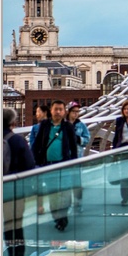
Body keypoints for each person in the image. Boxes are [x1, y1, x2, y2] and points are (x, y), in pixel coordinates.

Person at [31, 99, 78, 231]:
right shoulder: (45, 125)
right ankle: (57, 218)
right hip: (48, 165)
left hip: (64, 164)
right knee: (52, 194)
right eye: (55, 109)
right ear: (51, 111)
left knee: (65, 194)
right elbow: (37, 144)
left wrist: (74, 163)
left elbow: (73, 147)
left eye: (60, 109)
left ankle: (63, 218)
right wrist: (33, 160)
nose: (58, 112)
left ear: (64, 112)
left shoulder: (68, 126)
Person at [3, 108, 37, 256]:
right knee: (16, 224)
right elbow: (30, 165)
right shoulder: (18, 140)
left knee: (6, 224)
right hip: (16, 189)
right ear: (13, 123)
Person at [66, 101, 90, 212]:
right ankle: (67, 205)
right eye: (74, 112)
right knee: (66, 183)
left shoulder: (81, 125)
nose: (76, 114)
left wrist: (79, 139)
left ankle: (78, 204)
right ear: (69, 112)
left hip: (77, 157)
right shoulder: (63, 125)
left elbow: (87, 138)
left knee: (77, 182)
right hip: (65, 157)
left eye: (77, 112)